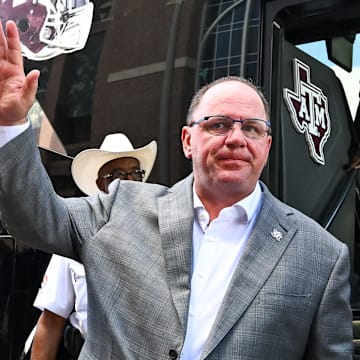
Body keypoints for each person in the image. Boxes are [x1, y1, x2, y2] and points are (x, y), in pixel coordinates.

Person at [0, 21, 354, 359]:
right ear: (188, 141)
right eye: (218, 125)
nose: (236, 139)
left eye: (252, 129)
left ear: (267, 145)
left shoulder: (321, 257)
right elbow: (35, 218)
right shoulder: (118, 209)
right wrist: (12, 123)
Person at [30, 133, 157, 360]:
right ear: (100, 184)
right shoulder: (76, 235)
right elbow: (51, 322)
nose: (129, 181)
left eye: (135, 173)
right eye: (117, 175)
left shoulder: (161, 233)